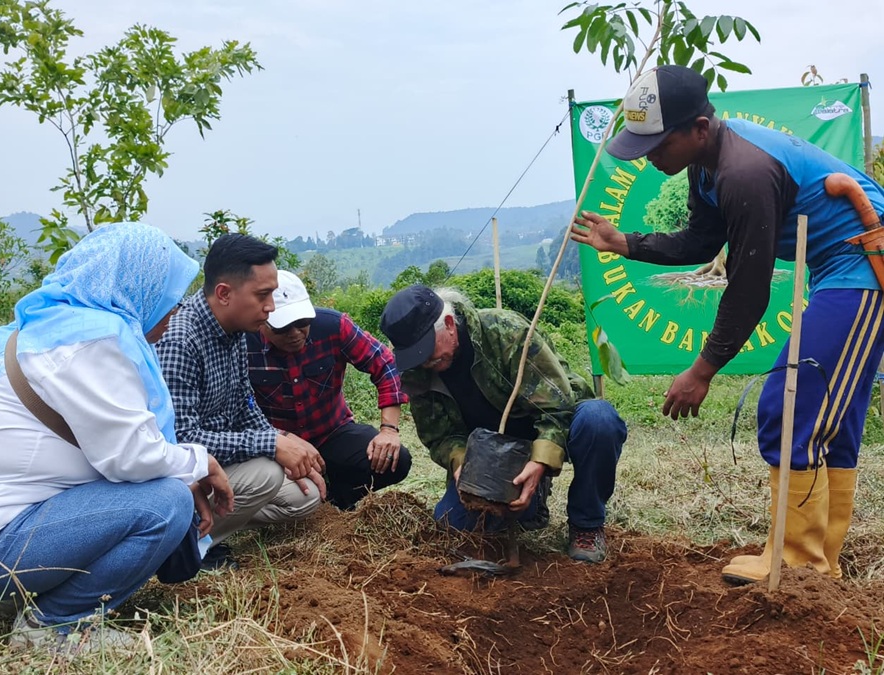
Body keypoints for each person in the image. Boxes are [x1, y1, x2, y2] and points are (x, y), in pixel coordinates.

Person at [571, 65, 884, 583]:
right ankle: (815, 563)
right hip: (834, 269)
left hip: (863, 267)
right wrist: (624, 242)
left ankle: (799, 562)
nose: (649, 158)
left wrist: (702, 370)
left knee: (791, 402)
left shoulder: (744, 172)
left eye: (656, 145)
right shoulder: (706, 164)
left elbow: (749, 288)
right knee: (823, 413)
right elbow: (700, 242)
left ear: (697, 127)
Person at [0, 222, 233, 653]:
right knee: (165, 503)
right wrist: (201, 463)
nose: (172, 314)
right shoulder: (92, 340)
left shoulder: (48, 328)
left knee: (165, 489)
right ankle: (53, 626)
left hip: (2, 532)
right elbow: (130, 457)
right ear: (138, 286)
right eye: (169, 299)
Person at [379, 285, 626, 563]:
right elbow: (440, 437)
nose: (425, 362)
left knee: (599, 419)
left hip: (550, 425)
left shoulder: (506, 332)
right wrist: (461, 464)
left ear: (449, 324)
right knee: (453, 524)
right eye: (416, 355)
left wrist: (541, 460)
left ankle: (586, 524)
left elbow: (559, 408)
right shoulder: (417, 372)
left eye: (427, 350)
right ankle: (530, 505)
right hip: (490, 453)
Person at [157, 234, 325, 570]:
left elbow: (245, 405)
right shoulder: (181, 339)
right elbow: (178, 439)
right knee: (265, 474)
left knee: (303, 495)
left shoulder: (233, 332)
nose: (271, 307)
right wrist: (271, 444)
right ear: (224, 293)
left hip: (220, 467)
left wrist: (283, 443)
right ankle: (180, 548)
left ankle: (211, 529)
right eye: (262, 295)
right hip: (179, 479)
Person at [246, 271, 411, 510]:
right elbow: (234, 409)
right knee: (299, 496)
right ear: (264, 322)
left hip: (331, 433)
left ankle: (336, 501)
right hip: (276, 445)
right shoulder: (242, 342)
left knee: (395, 460)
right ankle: (308, 501)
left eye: (301, 323)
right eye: (283, 328)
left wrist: (388, 430)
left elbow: (385, 363)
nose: (294, 334)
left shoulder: (333, 326)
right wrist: (278, 439)